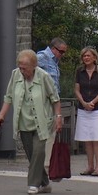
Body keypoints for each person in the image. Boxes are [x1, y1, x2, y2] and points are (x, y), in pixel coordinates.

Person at [0, 49, 62, 194]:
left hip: (42, 122)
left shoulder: (44, 77)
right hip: (23, 122)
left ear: (34, 66)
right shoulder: (15, 75)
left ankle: (33, 184)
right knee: (32, 156)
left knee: (38, 153)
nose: (22, 70)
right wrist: (1, 115)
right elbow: (8, 97)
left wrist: (58, 117)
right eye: (20, 67)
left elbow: (55, 99)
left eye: (24, 68)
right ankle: (45, 183)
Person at [74, 47, 98, 176]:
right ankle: (90, 166)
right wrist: (83, 102)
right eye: (84, 56)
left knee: (97, 138)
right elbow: (77, 89)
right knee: (87, 138)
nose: (86, 58)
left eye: (88, 56)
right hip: (84, 108)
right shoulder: (79, 71)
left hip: (97, 109)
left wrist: (93, 102)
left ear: (94, 57)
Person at [35, 37, 67, 176]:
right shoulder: (41, 57)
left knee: (52, 134)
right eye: (61, 52)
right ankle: (43, 168)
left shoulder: (54, 62)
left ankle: (47, 167)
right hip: (43, 102)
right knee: (45, 137)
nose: (62, 55)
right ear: (53, 48)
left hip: (54, 102)